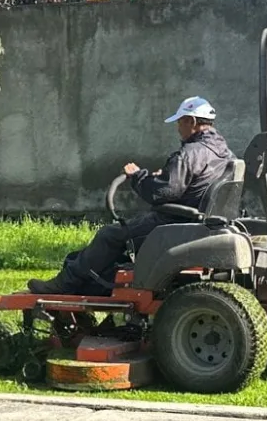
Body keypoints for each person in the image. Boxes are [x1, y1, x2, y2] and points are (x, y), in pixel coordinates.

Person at [28, 97, 234, 294]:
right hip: (201, 221)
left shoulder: (191, 152)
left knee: (108, 235)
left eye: (180, 122)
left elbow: (164, 192)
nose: (178, 128)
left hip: (175, 223)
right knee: (115, 238)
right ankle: (93, 279)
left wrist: (137, 176)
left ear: (193, 121)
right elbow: (191, 184)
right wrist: (162, 176)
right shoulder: (224, 153)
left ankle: (65, 283)